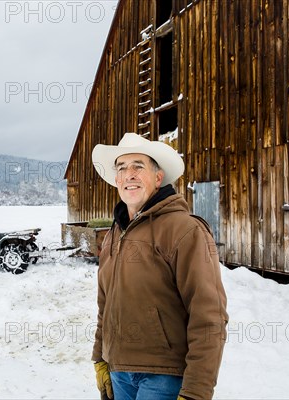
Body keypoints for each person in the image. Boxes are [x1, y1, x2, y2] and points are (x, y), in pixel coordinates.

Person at [91, 132, 228, 400]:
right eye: (122, 168)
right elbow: (105, 305)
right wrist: (100, 357)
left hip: (164, 377)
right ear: (116, 180)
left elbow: (208, 316)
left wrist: (197, 391)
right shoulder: (113, 234)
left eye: (138, 166)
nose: (129, 174)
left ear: (157, 177)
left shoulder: (185, 230)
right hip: (119, 372)